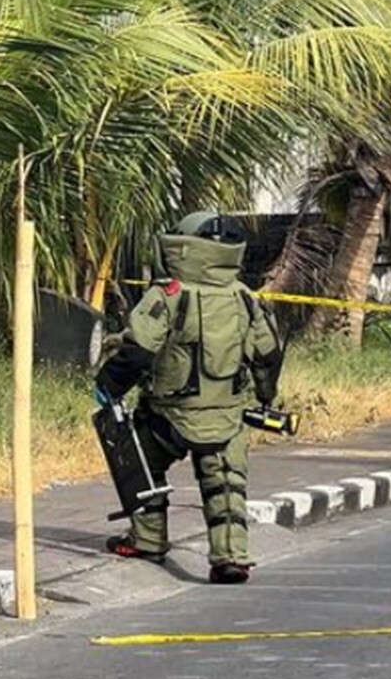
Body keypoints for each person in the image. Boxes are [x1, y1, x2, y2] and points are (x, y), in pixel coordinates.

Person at [93, 211, 284, 584]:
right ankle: (231, 556)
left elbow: (137, 351)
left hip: (168, 416)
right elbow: (268, 355)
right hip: (228, 416)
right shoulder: (244, 297)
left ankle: (148, 539)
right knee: (226, 484)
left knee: (142, 465)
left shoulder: (168, 295)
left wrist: (108, 386)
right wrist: (265, 397)